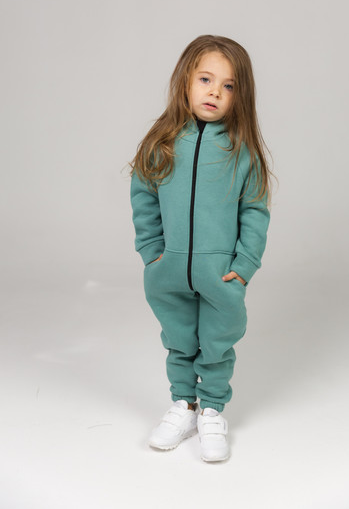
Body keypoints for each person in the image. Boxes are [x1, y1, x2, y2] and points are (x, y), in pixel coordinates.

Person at [129, 34, 273, 462]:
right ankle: (183, 405)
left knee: (217, 341)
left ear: (240, 95)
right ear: (185, 82)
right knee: (178, 339)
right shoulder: (161, 142)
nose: (215, 92)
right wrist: (152, 250)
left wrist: (245, 264)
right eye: (205, 79)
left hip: (220, 274)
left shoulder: (242, 152)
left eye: (228, 85)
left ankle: (211, 409)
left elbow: (255, 209)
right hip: (168, 269)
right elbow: (143, 196)